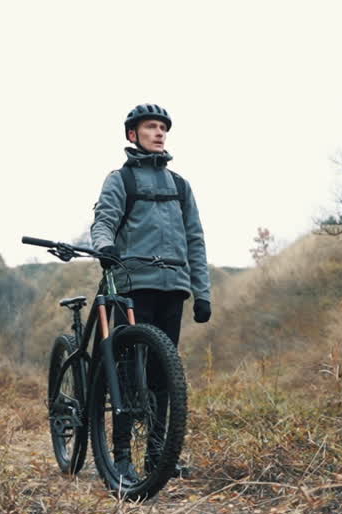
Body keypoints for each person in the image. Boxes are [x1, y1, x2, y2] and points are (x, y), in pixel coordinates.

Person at [90, 103, 211, 480]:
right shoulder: (120, 180)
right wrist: (104, 246)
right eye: (151, 127)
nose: (159, 133)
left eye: (163, 128)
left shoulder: (180, 185)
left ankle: (159, 455)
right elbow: (104, 221)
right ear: (133, 135)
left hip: (173, 288)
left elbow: (195, 240)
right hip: (133, 285)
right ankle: (122, 457)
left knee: (162, 376)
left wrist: (202, 293)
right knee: (128, 372)